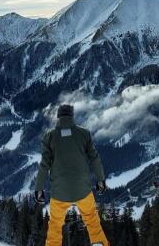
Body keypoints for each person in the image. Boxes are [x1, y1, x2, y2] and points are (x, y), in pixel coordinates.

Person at [35, 104, 109, 246]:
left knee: (55, 225)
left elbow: (44, 164)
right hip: (83, 190)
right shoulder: (84, 133)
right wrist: (100, 180)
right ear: (72, 116)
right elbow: (94, 158)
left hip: (59, 192)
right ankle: (99, 243)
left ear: (58, 117)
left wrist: (38, 188)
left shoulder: (49, 136)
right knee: (92, 220)